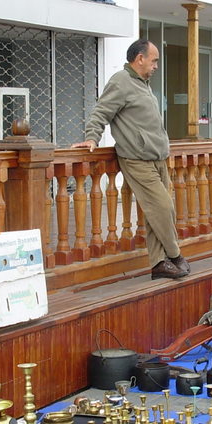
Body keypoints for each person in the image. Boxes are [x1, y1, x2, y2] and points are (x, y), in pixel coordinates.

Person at [72, 39, 189, 280]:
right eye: (154, 60)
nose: (156, 65)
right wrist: (92, 138)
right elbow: (101, 111)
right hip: (137, 158)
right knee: (162, 207)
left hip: (157, 157)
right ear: (140, 59)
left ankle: (158, 264)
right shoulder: (121, 81)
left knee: (159, 210)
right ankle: (175, 255)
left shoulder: (143, 84)